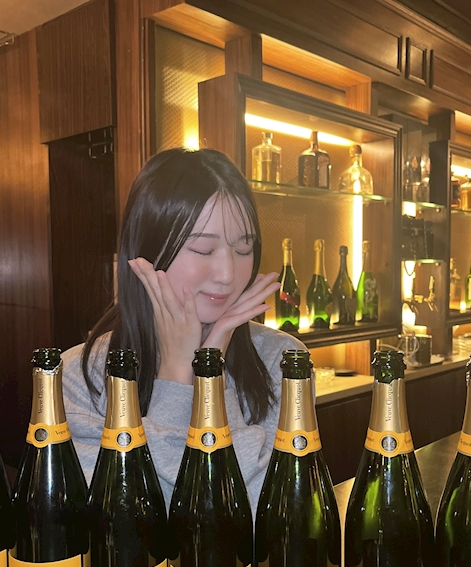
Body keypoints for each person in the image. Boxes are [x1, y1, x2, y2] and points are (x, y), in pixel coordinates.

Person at [61, 147, 304, 513]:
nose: (227, 274)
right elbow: (126, 519)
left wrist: (210, 366)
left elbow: (262, 515)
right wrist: (177, 376)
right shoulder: (79, 376)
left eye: (243, 249)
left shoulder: (283, 361)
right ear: (147, 252)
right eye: (204, 249)